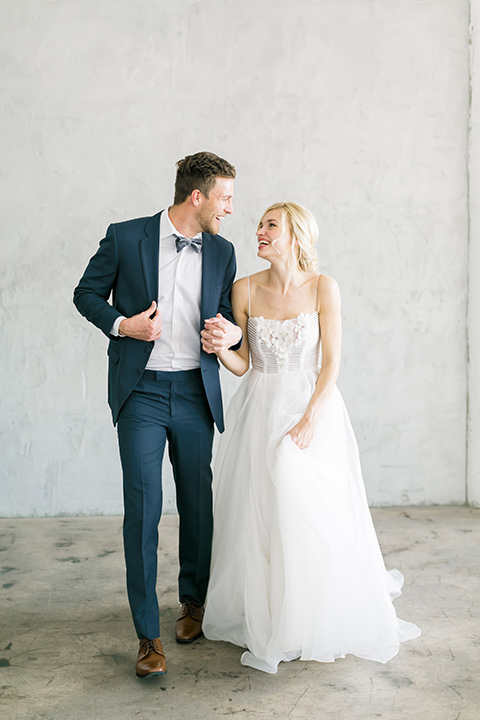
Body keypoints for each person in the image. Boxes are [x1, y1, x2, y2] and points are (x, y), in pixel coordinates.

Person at [201, 201, 421, 674]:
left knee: (306, 504)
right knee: (258, 511)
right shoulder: (244, 289)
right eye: (259, 224)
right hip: (258, 407)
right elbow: (246, 365)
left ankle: (314, 612)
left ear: (295, 236)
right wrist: (222, 349)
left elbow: (332, 362)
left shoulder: (324, 288)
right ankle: (273, 611)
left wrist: (308, 419)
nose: (258, 231)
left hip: (311, 407)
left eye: (270, 225)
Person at [73, 151, 242, 678]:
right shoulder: (126, 237)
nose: (230, 210)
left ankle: (192, 604)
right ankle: (148, 636)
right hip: (141, 394)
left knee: (197, 507)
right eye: (225, 198)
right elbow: (85, 294)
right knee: (143, 512)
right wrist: (125, 325)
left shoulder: (224, 250)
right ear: (199, 196)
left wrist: (229, 335)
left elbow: (232, 319)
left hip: (196, 391)